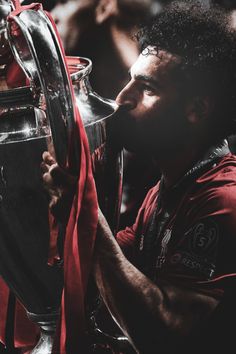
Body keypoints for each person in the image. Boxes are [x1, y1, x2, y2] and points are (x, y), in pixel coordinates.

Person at [42, 1, 236, 353]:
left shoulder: (224, 200)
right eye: (129, 80)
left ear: (197, 109)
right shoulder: (165, 190)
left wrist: (87, 215)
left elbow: (164, 336)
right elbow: (102, 276)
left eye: (147, 88)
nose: (121, 99)